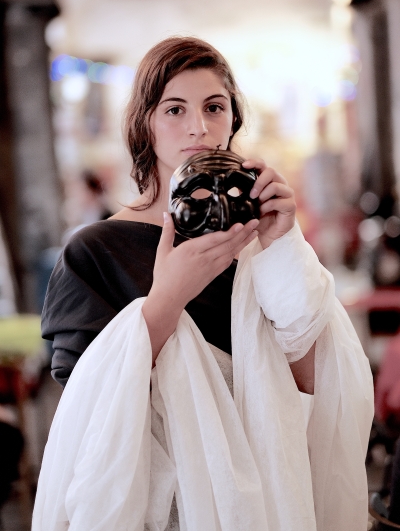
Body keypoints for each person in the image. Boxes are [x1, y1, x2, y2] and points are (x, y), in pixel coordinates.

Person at [38, 37, 373, 531]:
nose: (198, 126)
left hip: (270, 497)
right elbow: (87, 410)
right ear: (145, 125)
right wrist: (169, 296)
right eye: (175, 109)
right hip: (163, 508)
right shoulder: (95, 251)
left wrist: (282, 245)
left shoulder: (258, 242)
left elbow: (318, 382)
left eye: (214, 107)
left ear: (232, 119)